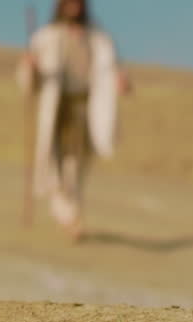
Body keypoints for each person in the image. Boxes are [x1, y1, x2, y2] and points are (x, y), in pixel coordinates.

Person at [17, 0, 131, 242]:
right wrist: (31, 68)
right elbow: (29, 82)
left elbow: (110, 72)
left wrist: (120, 83)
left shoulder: (98, 39)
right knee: (55, 166)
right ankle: (67, 215)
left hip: (86, 110)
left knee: (76, 168)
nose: (74, 7)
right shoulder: (46, 38)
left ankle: (72, 215)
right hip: (58, 109)